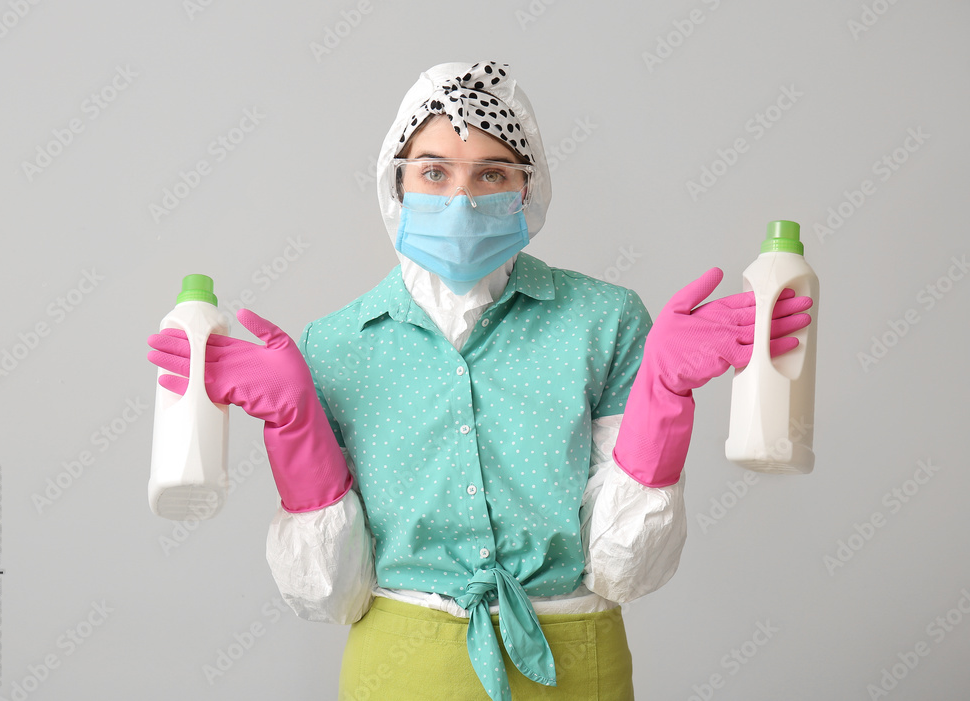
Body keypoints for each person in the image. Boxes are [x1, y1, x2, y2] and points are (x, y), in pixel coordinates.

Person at [147, 61, 811, 700]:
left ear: (527, 189)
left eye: (491, 173)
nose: (461, 201)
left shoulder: (604, 320)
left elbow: (623, 571)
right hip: (398, 673)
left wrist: (664, 393)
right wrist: (296, 425)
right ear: (396, 186)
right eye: (433, 172)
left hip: (573, 670)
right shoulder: (338, 344)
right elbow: (332, 594)